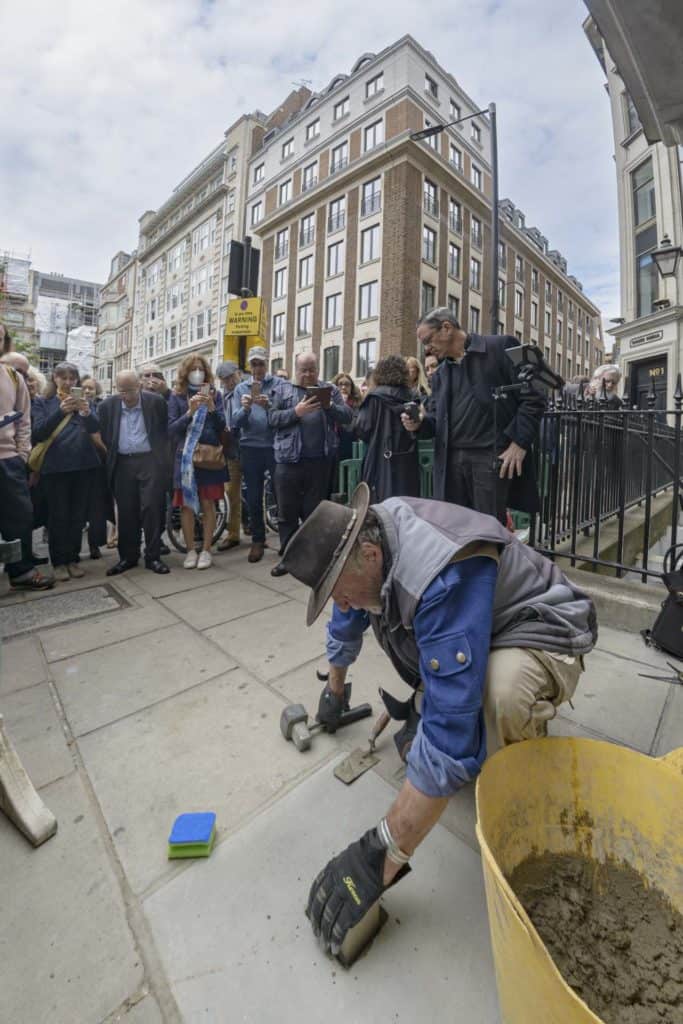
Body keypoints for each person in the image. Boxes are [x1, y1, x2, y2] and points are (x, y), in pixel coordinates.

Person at [279, 484, 596, 956]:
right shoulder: (368, 542)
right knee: (437, 735)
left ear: (368, 555)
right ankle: (463, 696)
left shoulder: (436, 571)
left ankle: (524, 770)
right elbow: (345, 619)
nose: (341, 605)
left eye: (341, 594)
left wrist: (382, 852)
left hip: (542, 626)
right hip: (479, 624)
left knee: (496, 700)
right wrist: (336, 689)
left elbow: (449, 740)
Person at [404, 307, 545, 524]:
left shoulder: (502, 346)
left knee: (489, 530)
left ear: (446, 328)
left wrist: (520, 442)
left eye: (427, 340)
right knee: (456, 528)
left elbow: (535, 395)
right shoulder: (441, 374)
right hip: (451, 464)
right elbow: (434, 420)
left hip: (490, 458)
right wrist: (418, 424)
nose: (426, 349)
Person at [267, 352, 353, 576]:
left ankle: (312, 561)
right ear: (296, 369)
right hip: (288, 461)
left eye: (312, 369)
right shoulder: (282, 390)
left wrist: (328, 406)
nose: (308, 374)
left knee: (314, 513)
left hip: (319, 462)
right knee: (286, 512)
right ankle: (287, 558)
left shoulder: (330, 390)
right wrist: (296, 412)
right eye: (303, 369)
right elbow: (272, 419)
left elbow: (346, 415)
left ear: (318, 369)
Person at [31, 362, 101, 581]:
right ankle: (59, 561)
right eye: (64, 378)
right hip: (55, 468)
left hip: (83, 465)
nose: (69, 382)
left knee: (78, 516)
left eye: (73, 378)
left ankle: (73, 558)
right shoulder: (43, 402)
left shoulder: (84, 401)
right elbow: (38, 432)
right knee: (58, 516)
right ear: (55, 378)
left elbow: (95, 428)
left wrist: (87, 412)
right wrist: (61, 412)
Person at [98, 370, 170, 575]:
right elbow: (103, 434)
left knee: (151, 508)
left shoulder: (155, 402)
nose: (126, 397)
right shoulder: (107, 407)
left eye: (130, 391)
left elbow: (164, 431)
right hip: (122, 463)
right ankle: (128, 557)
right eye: (122, 392)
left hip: (149, 461)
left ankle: (153, 557)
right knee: (127, 511)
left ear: (139, 386)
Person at [168, 355, 226, 570]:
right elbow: (172, 429)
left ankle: (207, 550)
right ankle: (191, 549)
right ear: (185, 372)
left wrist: (211, 407)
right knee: (186, 506)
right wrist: (189, 412)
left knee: (208, 503)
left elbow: (222, 426)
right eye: (193, 369)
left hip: (208, 458)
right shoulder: (177, 397)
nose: (197, 372)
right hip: (185, 459)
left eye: (201, 369)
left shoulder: (215, 395)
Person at [0, 356, 53, 589]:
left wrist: (22, 456)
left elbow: (23, 422)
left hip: (9, 459)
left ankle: (20, 571)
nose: (20, 374)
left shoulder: (12, 379)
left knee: (19, 517)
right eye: (16, 369)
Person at [232, 347, 280, 564]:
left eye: (260, 363)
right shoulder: (241, 388)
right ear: (249, 367)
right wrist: (245, 409)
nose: (257, 368)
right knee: (253, 496)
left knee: (281, 493)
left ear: (267, 364)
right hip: (250, 447)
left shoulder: (278, 385)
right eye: (254, 364)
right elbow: (234, 421)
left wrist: (268, 406)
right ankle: (258, 540)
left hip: (274, 446)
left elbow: (284, 416)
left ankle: (287, 540)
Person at [354, 355, 420, 503]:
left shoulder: (374, 398)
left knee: (379, 507)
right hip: (407, 460)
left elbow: (362, 429)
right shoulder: (412, 396)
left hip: (378, 458)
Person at [140, 364, 172, 555]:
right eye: (146, 375)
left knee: (158, 504)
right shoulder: (133, 397)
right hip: (136, 458)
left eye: (156, 375)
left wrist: (164, 391)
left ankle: (155, 540)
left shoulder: (165, 397)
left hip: (159, 459)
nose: (151, 379)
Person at [215, 361, 243, 552]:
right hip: (231, 450)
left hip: (249, 448)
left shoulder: (246, 390)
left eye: (231, 377)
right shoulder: (222, 396)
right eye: (225, 379)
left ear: (238, 374)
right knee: (231, 492)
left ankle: (259, 532)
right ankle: (233, 534)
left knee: (255, 493)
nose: (229, 382)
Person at [331, 371, 362, 477]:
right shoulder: (330, 403)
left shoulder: (357, 404)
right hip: (333, 446)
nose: (343, 387)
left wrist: (343, 406)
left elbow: (351, 425)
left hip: (349, 445)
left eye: (347, 384)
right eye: (340, 384)